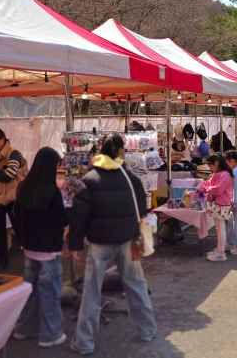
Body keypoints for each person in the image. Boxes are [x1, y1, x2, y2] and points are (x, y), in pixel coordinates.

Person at [69, 133, 156, 355]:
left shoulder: (88, 180)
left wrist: (75, 245)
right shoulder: (131, 179)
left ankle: (84, 343)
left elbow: (79, 217)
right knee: (136, 285)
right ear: (120, 152)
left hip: (99, 243)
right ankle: (147, 330)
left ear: (99, 151)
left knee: (91, 291)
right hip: (128, 241)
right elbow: (143, 210)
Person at [12, 147, 68, 348]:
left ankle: (23, 329)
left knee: (30, 291)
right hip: (49, 251)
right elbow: (60, 219)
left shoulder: (24, 187)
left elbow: (16, 217)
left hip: (29, 249)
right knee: (50, 293)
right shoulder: (51, 192)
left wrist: (22, 240)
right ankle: (50, 334)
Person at [0, 128, 28, 270]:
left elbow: (9, 174)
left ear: (3, 138)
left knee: (20, 229)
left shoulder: (14, 154)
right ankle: (3, 263)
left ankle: (28, 259)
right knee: (0, 233)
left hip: (13, 198)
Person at [198, 154, 235, 262]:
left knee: (220, 228)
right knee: (219, 228)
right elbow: (208, 184)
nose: (209, 167)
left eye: (210, 165)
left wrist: (206, 188)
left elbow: (217, 189)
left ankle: (220, 253)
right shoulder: (219, 174)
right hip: (218, 204)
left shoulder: (225, 175)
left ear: (217, 163)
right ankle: (219, 249)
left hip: (221, 204)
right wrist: (204, 187)